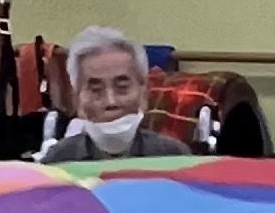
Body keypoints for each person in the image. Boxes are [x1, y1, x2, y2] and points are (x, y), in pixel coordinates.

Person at [37, 27, 195, 166]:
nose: (111, 102)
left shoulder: (174, 158)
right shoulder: (58, 162)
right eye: (96, 90)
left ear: (143, 94)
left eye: (122, 88)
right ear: (77, 101)